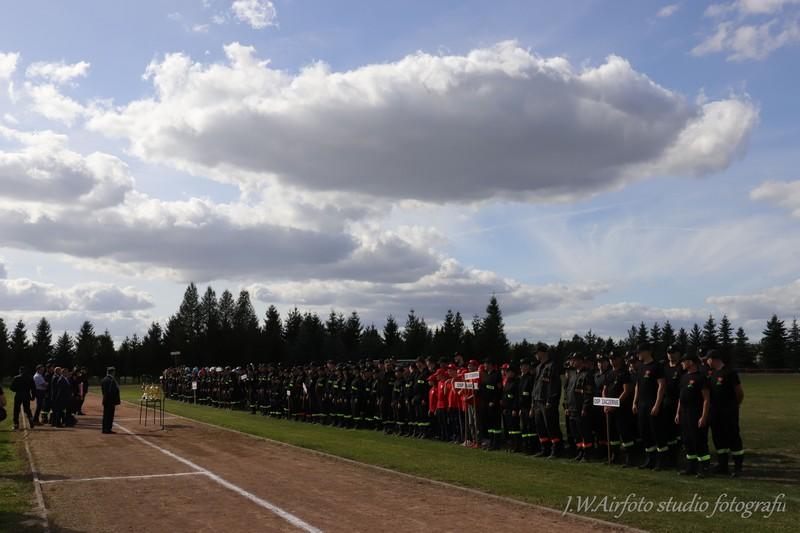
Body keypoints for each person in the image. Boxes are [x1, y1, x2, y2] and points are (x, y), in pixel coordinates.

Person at [705, 349, 745, 477]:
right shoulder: (712, 373)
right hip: (715, 412)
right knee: (718, 438)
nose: (706, 362)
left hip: (729, 412)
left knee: (733, 437)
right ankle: (723, 466)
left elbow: (739, 393)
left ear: (713, 359)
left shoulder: (730, 372)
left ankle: (738, 467)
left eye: (707, 359)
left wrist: (734, 405)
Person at [632, 342, 668, 470]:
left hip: (652, 403)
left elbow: (661, 385)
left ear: (647, 352)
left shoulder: (657, 366)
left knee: (657, 432)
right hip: (642, 404)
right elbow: (637, 386)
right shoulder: (640, 367)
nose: (638, 355)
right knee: (644, 431)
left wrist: (657, 404)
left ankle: (662, 460)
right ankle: (650, 459)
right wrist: (634, 402)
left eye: (640, 352)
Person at [675, 353, 711, 478]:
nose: (682, 363)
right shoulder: (684, 377)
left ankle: (704, 467)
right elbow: (681, 397)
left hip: (696, 413)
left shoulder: (701, 378)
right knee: (687, 440)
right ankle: (691, 467)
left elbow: (706, 399)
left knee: (699, 440)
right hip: (684, 413)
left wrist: (704, 416)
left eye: (683, 361)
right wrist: (678, 412)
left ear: (691, 362)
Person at [101, 366, 121, 434]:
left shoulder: (104, 379)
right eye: (114, 372)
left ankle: (104, 428)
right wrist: (114, 400)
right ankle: (108, 429)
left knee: (105, 415)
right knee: (109, 415)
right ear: (112, 372)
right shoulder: (111, 380)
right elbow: (112, 391)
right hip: (110, 400)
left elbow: (103, 391)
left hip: (105, 399)